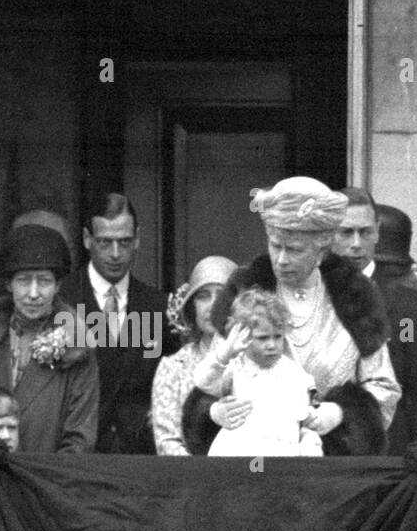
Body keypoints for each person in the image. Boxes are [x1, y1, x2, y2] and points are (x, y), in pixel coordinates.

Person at [182, 176, 400, 456]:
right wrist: (214, 412)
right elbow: (208, 380)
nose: (281, 259)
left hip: (330, 466)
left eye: (294, 249)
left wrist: (340, 413)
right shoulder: (243, 292)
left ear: (322, 250)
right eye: (275, 246)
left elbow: (384, 388)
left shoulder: (355, 297)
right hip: (253, 462)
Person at [59, 193, 178, 453]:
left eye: (124, 242)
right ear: (87, 239)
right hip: (78, 457)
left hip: (141, 459)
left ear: (138, 239)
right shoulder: (62, 300)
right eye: (105, 242)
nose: (115, 254)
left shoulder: (159, 306)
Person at [335, 191, 417, 453]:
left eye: (365, 232)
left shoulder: (408, 309)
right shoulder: (310, 295)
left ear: (377, 232)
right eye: (345, 232)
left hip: (387, 455)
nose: (356, 243)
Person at [0, 225, 99, 453]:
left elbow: (80, 439)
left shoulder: (78, 349)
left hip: (48, 479)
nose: (34, 293)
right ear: (9, 284)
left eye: (44, 281)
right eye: (24, 280)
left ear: (57, 285)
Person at [193, 289, 322, 457]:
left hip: (282, 456)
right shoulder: (235, 366)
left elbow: (306, 418)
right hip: (240, 453)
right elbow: (202, 381)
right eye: (263, 338)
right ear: (242, 335)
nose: (272, 345)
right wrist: (225, 353)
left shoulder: (293, 373)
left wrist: (310, 442)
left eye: (278, 337)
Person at [151, 255, 238, 455]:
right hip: (189, 479)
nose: (213, 305)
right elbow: (167, 442)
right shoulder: (173, 367)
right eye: (203, 296)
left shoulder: (256, 359)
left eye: (222, 295)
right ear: (192, 306)